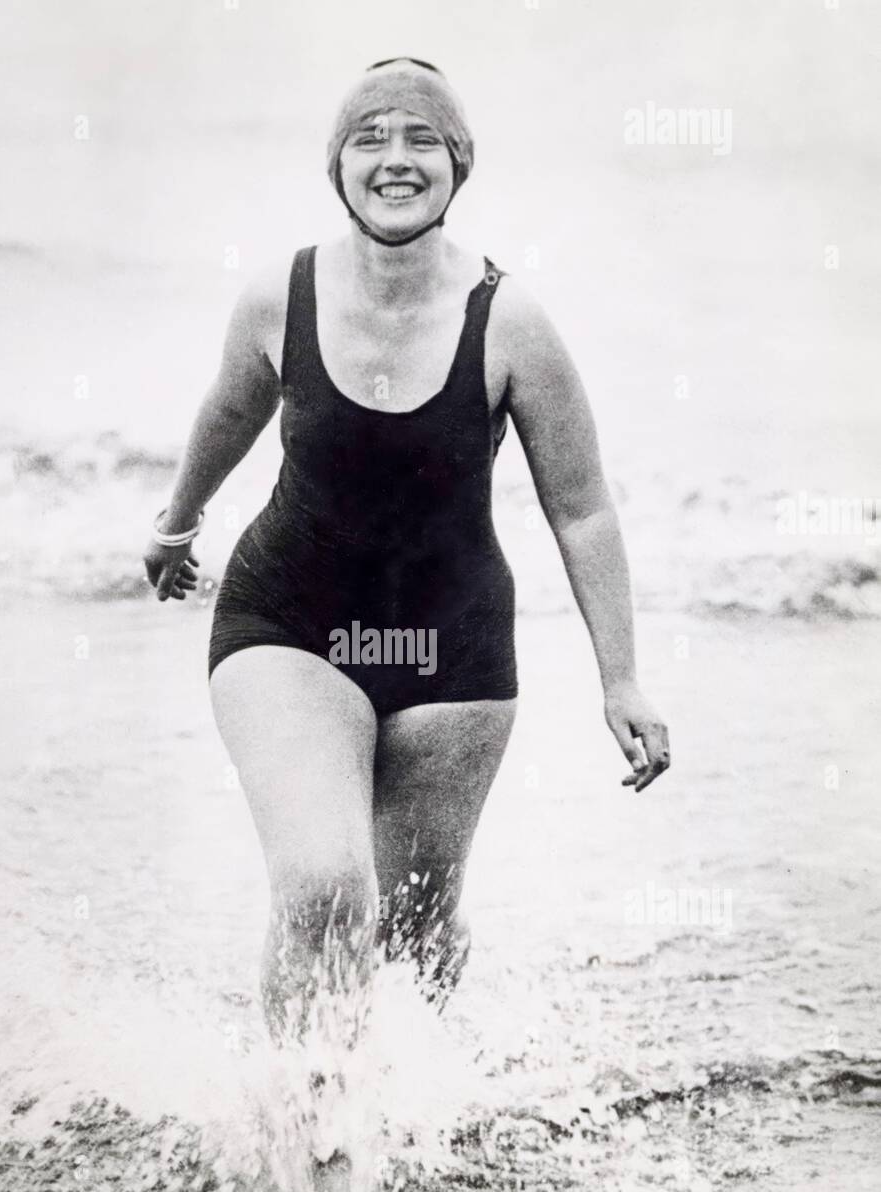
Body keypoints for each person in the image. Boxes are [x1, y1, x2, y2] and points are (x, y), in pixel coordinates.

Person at [143, 57, 670, 1049]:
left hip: (452, 652)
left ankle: (407, 1100)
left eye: (422, 138)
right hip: (289, 623)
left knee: (417, 923)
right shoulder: (280, 295)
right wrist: (177, 524)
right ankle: (310, 1127)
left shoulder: (510, 321)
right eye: (369, 137)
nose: (395, 159)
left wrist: (623, 679)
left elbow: (584, 507)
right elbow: (228, 413)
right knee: (324, 884)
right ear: (335, 165)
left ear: (458, 165)